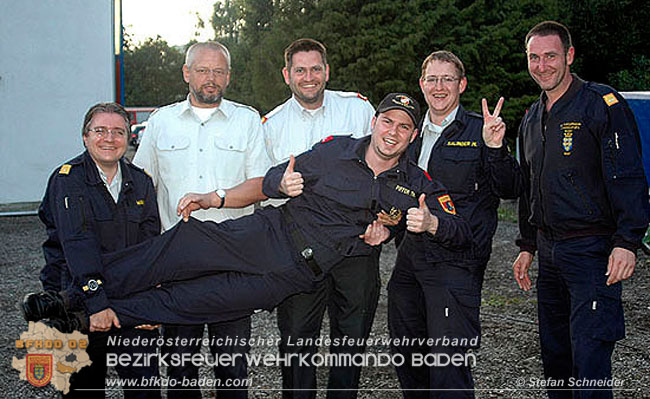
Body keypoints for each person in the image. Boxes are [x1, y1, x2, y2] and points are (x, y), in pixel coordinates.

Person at [24, 93, 470, 348]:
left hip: (294, 272)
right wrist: (237, 194)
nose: (393, 131)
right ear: (375, 122)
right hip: (266, 233)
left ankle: (89, 317)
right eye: (387, 121)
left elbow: (458, 229)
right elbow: (272, 180)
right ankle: (72, 298)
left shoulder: (418, 183)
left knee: (200, 300)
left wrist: (428, 225)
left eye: (404, 127)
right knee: (183, 244)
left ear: (413, 135)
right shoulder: (334, 150)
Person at [512, 21, 649, 399]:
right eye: (534, 57)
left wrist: (627, 241)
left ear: (569, 56)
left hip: (591, 253)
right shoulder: (531, 117)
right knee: (556, 360)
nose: (542, 65)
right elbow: (529, 185)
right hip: (550, 253)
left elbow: (628, 175)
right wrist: (527, 244)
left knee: (590, 362)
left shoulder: (601, 104)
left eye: (550, 56)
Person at [132, 41, 271, 399]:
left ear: (229, 76)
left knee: (233, 363)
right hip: (177, 263)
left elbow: (261, 185)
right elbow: (141, 191)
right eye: (203, 70)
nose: (211, 78)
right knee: (180, 363)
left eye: (219, 71)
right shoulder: (161, 122)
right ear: (186, 73)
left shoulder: (247, 120)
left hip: (234, 261)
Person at [387, 51, 522, 398]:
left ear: (461, 85)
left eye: (448, 79)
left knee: (448, 368)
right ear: (421, 84)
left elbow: (510, 188)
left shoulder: (481, 129)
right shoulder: (410, 136)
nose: (439, 86)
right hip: (410, 261)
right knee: (408, 357)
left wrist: (495, 149)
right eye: (432, 79)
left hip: (456, 263)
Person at [262, 38, 377, 398]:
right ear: (287, 75)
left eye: (315, 69)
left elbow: (387, 166)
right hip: (300, 254)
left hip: (355, 248)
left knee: (351, 342)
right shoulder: (271, 125)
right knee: (296, 344)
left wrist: (385, 223)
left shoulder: (357, 111)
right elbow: (262, 187)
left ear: (327, 71)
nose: (308, 77)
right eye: (300, 70)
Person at [26, 103, 162, 398]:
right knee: (84, 388)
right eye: (100, 131)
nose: (109, 139)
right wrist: (97, 304)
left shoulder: (140, 182)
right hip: (79, 303)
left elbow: (150, 249)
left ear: (129, 138)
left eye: (118, 132)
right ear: (85, 137)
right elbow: (78, 244)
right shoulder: (67, 180)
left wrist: (151, 304)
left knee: (145, 389)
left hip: (129, 303)